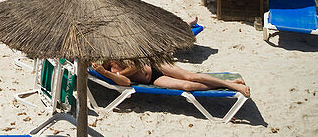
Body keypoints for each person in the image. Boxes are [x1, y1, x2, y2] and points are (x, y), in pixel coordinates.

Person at [94, 60, 249, 97]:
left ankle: (234, 86)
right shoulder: (107, 71)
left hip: (157, 65)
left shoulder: (116, 55)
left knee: (190, 76)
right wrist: (108, 74)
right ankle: (229, 85)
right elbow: (127, 83)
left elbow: (136, 66)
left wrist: (119, 74)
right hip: (153, 80)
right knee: (187, 86)